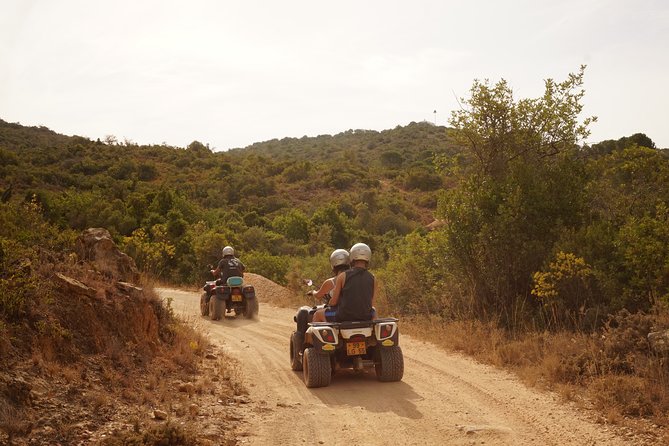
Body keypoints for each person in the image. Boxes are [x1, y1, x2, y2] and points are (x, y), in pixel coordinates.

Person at [312, 243, 377, 322]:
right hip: (366, 316)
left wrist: (329, 303)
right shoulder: (373, 278)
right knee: (374, 311)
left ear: (352, 257)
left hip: (344, 316)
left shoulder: (343, 276)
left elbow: (334, 302)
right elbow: (372, 303)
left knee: (317, 314)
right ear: (368, 257)